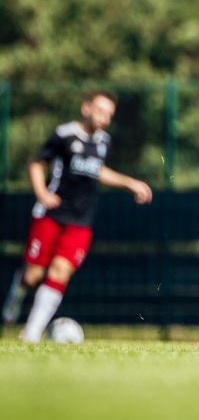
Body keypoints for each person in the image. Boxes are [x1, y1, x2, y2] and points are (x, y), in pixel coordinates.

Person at [2, 90, 153, 342]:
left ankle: (30, 333)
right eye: (100, 111)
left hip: (80, 220)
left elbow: (98, 171)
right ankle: (17, 291)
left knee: (60, 271)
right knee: (32, 276)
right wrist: (41, 193)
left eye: (109, 114)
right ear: (86, 108)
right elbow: (37, 164)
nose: (104, 118)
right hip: (51, 213)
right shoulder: (65, 134)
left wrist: (130, 183)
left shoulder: (104, 141)